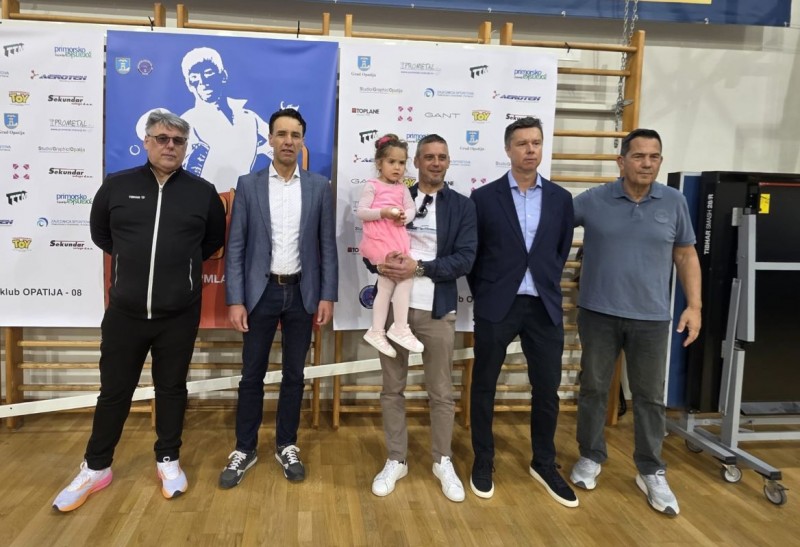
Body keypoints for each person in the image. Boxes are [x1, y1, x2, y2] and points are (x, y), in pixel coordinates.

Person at [53, 111, 227, 512]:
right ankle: (96, 467)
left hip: (178, 314)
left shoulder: (203, 193)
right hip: (125, 313)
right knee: (114, 392)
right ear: (146, 142)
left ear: (186, 147)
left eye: (178, 141)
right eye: (162, 138)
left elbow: (211, 242)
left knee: (172, 389)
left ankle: (168, 459)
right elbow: (102, 235)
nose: (170, 146)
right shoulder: (117, 186)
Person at [569, 128, 701, 517]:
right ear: (621, 161)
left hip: (651, 318)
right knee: (593, 388)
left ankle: (651, 469)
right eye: (639, 156)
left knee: (649, 397)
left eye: (654, 157)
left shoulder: (674, 202)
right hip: (598, 313)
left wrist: (694, 306)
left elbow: (686, 255)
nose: (647, 163)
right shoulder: (593, 200)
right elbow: (549, 226)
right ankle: (590, 455)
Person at [219, 108, 337, 488]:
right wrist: (235, 299)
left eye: (295, 135)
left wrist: (327, 295)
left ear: (302, 141)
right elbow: (236, 247)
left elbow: (327, 246)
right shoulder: (248, 184)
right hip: (261, 294)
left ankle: (287, 444)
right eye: (282, 134)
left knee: (294, 376)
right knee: (251, 375)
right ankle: (245, 448)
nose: (288, 141)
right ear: (270, 139)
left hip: (303, 293)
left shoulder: (319, 186)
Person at [468, 117, 577, 507]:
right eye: (522, 143)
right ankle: (483, 460)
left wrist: (543, 282)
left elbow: (559, 250)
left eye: (536, 143)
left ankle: (544, 463)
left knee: (547, 389)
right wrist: (489, 292)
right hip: (498, 304)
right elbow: (475, 256)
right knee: (484, 386)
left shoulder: (561, 199)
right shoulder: (484, 198)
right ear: (507, 149)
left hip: (543, 306)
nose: (530, 150)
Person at [366, 134, 477, 502]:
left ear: (448, 161)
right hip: (394, 310)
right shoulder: (394, 194)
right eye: (428, 156)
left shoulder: (462, 206)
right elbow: (371, 242)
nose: (435, 162)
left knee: (441, 391)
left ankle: (442, 460)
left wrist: (420, 268)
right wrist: (378, 263)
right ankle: (396, 459)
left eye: (442, 157)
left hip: (438, 308)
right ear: (415, 161)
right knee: (391, 388)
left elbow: (465, 259)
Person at [357, 134, 425, 357]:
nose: (397, 167)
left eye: (401, 162)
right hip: (379, 240)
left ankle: (381, 330)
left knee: (393, 283)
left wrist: (405, 217)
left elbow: (411, 208)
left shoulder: (402, 189)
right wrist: (384, 212)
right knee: (397, 280)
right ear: (379, 163)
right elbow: (362, 212)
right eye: (391, 162)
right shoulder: (372, 186)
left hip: (396, 238)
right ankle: (396, 328)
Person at [179, 47, 271, 187]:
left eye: (208, 73)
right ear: (189, 84)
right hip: (206, 197)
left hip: (245, 196)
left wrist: (262, 151)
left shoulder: (249, 117)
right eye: (194, 77)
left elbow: (277, 145)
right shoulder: (187, 122)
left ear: (223, 76)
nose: (203, 81)